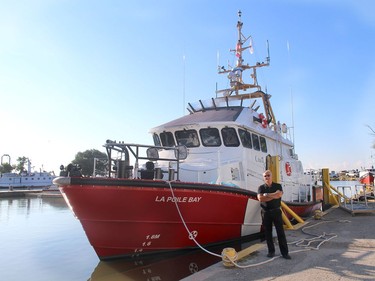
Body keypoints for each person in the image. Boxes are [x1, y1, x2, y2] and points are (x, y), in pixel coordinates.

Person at [257, 170, 291, 259]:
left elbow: (279, 195)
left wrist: (267, 195)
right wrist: (273, 195)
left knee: (281, 232)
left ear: (271, 176)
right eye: (265, 176)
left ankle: (285, 253)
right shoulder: (261, 188)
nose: (267, 177)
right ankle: (271, 251)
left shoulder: (278, 186)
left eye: (268, 175)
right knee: (268, 233)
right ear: (263, 178)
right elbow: (260, 199)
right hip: (266, 212)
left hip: (276, 211)